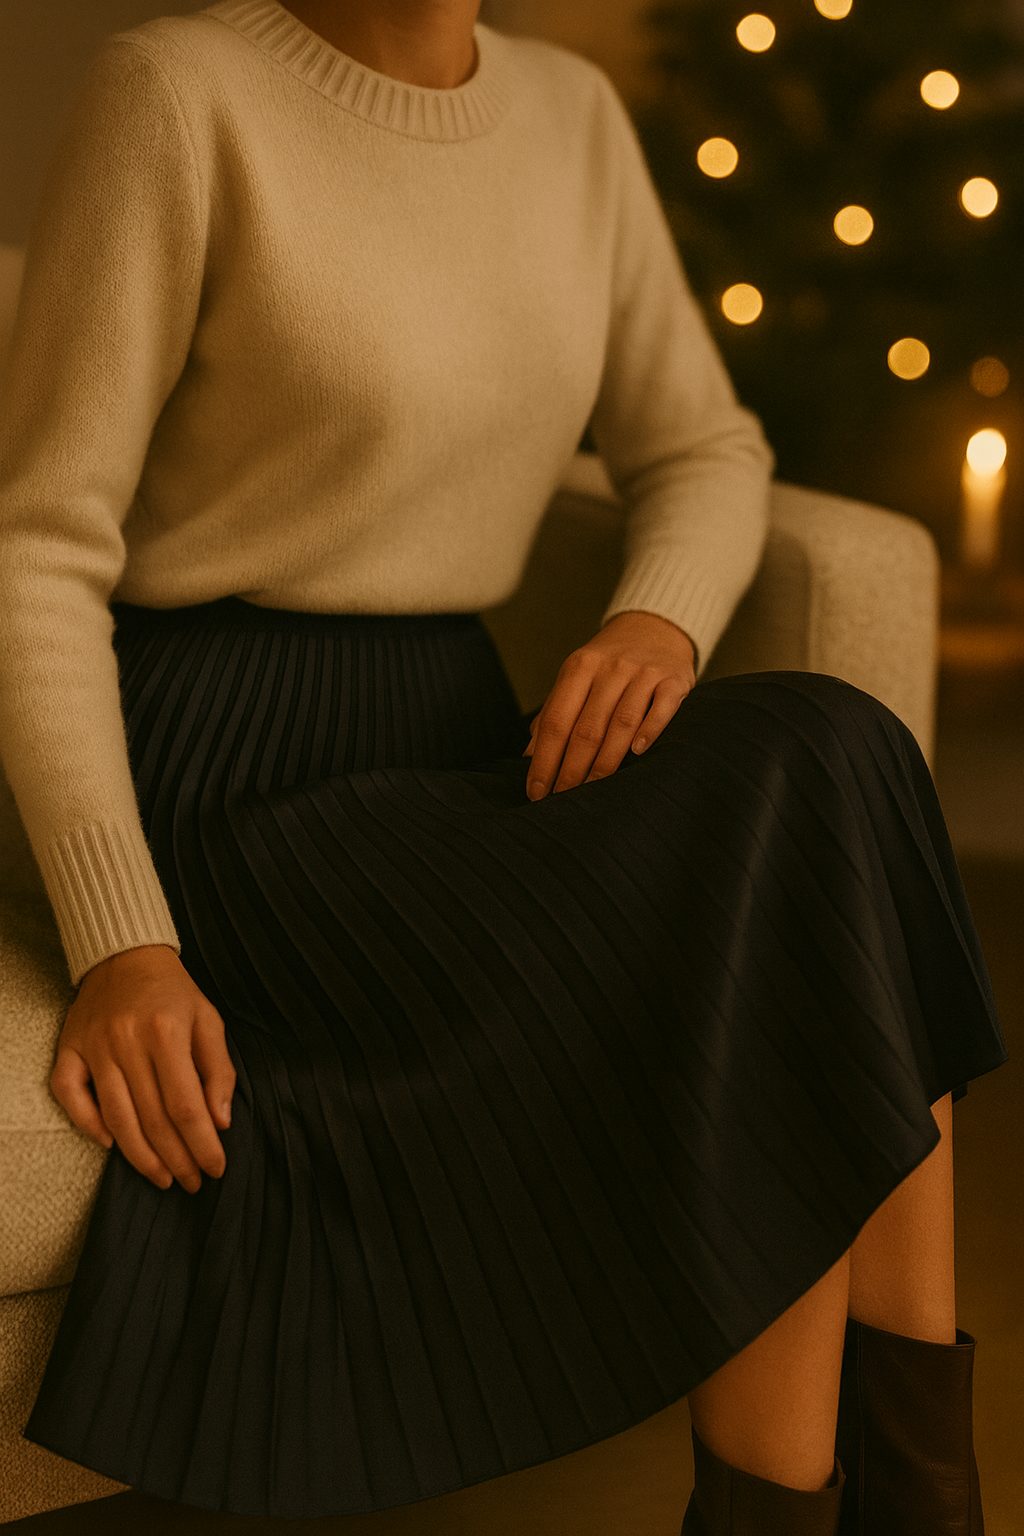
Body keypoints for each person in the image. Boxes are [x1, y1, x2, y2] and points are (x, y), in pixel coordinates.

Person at [0, 1, 1007, 1530]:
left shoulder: (570, 116)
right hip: (226, 770)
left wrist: (660, 620)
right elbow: (35, 549)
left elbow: (706, 447)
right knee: (790, 821)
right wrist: (122, 942)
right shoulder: (180, 95)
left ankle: (894, 1506)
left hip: (462, 740)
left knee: (837, 751)